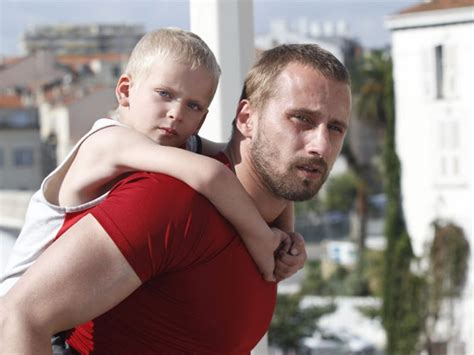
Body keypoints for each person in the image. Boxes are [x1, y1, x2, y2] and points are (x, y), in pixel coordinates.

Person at [0, 43, 351, 353]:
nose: (321, 146)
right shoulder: (170, 199)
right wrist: (265, 238)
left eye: (335, 128)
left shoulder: (258, 218)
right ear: (246, 118)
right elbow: (20, 315)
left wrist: (284, 237)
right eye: (301, 119)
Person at [0, 27, 299, 298]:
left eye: (193, 106)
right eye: (164, 94)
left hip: (67, 303)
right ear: (125, 91)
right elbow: (212, 175)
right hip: (19, 310)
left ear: (203, 118)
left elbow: (248, 168)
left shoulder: (176, 145)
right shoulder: (109, 141)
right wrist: (263, 240)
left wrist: (287, 238)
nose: (176, 113)